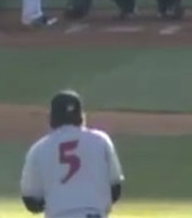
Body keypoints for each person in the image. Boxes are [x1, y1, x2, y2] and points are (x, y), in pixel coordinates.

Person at [20, 90, 125, 218]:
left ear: (52, 117)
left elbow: (31, 201)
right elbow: (115, 189)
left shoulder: (38, 149)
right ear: (81, 115)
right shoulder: (101, 140)